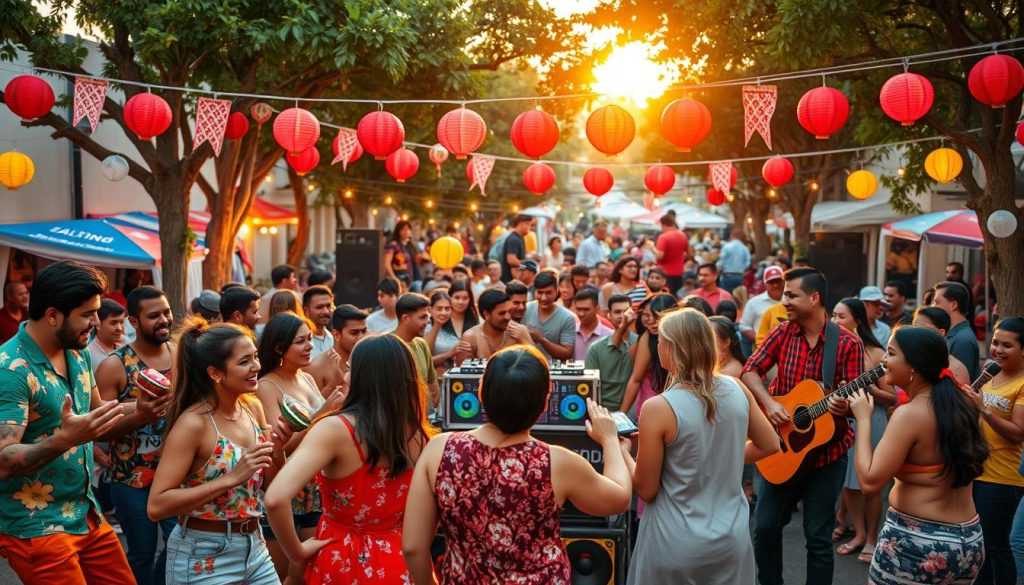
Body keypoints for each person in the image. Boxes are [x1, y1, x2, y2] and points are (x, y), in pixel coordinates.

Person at [402, 345, 633, 583]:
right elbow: (620, 497)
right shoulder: (557, 462)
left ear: (480, 393)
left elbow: (412, 547)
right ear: (546, 402)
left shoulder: (439, 449)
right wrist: (610, 441)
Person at [0, 261, 137, 583]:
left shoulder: (78, 354)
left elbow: (99, 415)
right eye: (87, 314)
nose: (96, 322)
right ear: (53, 315)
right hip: (37, 526)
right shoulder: (10, 370)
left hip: (85, 512)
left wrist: (149, 408)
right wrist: (65, 439)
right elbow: (2, 461)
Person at [625, 309, 779, 584]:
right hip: (730, 537)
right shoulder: (736, 387)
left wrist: (621, 451)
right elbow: (770, 444)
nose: (656, 344)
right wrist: (720, 458)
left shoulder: (658, 407)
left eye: (660, 340)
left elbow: (646, 489)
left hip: (675, 539)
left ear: (671, 348)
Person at [266, 335, 430, 584]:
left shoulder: (336, 429)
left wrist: (296, 554)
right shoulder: (419, 434)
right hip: (402, 562)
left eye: (350, 368)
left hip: (342, 560)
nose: (345, 376)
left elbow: (275, 498)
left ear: (365, 376)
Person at [741, 267, 865, 585]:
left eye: (791, 295)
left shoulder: (848, 343)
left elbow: (856, 398)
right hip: (781, 447)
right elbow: (751, 371)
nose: (785, 302)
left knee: (818, 538)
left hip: (826, 456)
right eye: (784, 295)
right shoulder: (783, 333)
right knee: (765, 527)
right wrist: (769, 403)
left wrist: (844, 406)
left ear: (814, 297)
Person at [847, 326, 988, 585]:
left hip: (919, 543)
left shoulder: (911, 414)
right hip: (969, 541)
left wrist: (863, 420)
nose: (883, 360)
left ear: (914, 365)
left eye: (890, 353)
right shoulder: (960, 404)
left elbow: (869, 482)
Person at [147, 319, 283, 585]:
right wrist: (230, 479)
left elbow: (269, 484)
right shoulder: (193, 424)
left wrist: (278, 449)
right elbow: (156, 505)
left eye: (254, 357)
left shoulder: (252, 407)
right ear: (215, 373)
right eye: (244, 361)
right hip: (203, 556)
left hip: (255, 547)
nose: (256, 366)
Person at [94, 286, 177, 585]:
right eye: (153, 316)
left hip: (175, 476)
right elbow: (101, 429)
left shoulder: (181, 357)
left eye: (166, 312)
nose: (164, 320)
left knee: (178, 544)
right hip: (130, 480)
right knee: (141, 553)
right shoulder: (115, 365)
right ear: (133, 321)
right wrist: (140, 415)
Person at [254, 312, 333, 584]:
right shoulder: (266, 386)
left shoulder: (307, 378)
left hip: (314, 487)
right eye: (301, 341)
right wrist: (323, 412)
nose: (310, 346)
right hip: (284, 488)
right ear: (279, 348)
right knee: (284, 576)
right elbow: (280, 446)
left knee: (310, 572)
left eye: (310, 339)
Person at [830, 297, 895, 563]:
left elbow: (892, 397)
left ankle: (872, 538)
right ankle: (858, 533)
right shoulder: (831, 349)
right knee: (848, 483)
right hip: (842, 421)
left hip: (872, 418)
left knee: (870, 485)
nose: (835, 322)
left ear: (857, 320)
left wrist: (869, 388)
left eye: (841, 316)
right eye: (833, 316)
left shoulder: (877, 353)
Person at [960, 318, 1024, 585]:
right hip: (977, 470)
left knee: (996, 547)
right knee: (978, 546)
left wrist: (983, 407)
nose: (997, 349)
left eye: (1006, 345)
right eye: (995, 342)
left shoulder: (1021, 384)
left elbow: (1018, 432)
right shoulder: (991, 371)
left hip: (1003, 478)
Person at [621, 294, 677, 415]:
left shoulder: (678, 338)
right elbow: (636, 379)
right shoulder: (647, 338)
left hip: (672, 405)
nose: (651, 320)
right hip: (651, 406)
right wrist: (621, 415)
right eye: (646, 315)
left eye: (656, 316)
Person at [586, 294, 637, 412]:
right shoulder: (596, 348)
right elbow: (590, 387)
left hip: (635, 412)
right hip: (603, 411)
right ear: (609, 315)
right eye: (617, 312)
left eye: (626, 311)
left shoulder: (641, 343)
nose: (622, 316)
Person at [455, 289, 533, 363]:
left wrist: (525, 340)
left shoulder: (520, 331)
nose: (508, 317)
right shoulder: (471, 337)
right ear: (486, 315)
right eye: (502, 313)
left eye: (509, 311)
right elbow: (462, 374)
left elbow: (539, 365)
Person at [392, 294, 440, 410]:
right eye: (422, 317)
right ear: (406, 319)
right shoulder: (387, 346)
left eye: (428, 316)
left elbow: (431, 382)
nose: (428, 321)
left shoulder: (422, 344)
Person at [306, 305, 368, 394]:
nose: (362, 337)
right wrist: (331, 387)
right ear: (336, 335)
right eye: (354, 333)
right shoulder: (316, 367)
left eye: (364, 331)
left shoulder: (369, 360)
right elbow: (313, 407)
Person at [425, 281, 479, 373]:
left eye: (465, 298)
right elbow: (423, 359)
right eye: (457, 298)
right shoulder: (436, 321)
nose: (461, 302)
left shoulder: (475, 321)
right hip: (438, 376)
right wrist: (449, 354)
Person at [523, 271, 576, 362]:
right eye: (540, 293)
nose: (544, 298)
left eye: (548, 293)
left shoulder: (568, 317)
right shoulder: (525, 309)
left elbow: (566, 353)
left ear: (557, 291)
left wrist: (541, 339)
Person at [933, 281, 981, 381]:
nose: (932, 306)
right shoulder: (955, 334)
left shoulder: (962, 340)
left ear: (953, 305)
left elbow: (958, 384)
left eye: (936, 302)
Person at [912, 307, 972, 384]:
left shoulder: (956, 369)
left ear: (941, 332)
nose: (916, 333)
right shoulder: (909, 360)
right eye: (914, 328)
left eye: (922, 328)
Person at [740, 266, 784, 349]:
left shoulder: (791, 301)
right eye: (771, 282)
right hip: (760, 350)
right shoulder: (753, 302)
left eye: (778, 281)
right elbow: (744, 326)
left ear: (784, 281)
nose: (775, 285)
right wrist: (761, 341)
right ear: (765, 284)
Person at [573, 288, 612, 362]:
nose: (581, 314)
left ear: (597, 308)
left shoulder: (609, 335)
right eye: (578, 309)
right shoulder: (569, 332)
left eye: (586, 310)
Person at [88, 298, 126, 370]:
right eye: (113, 323)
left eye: (121, 322)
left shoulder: (125, 350)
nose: (119, 328)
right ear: (98, 324)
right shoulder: (89, 356)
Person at [655, 215, 689, 296]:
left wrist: (652, 248)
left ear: (663, 225)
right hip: (679, 273)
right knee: (675, 299)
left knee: (665, 299)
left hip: (665, 274)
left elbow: (659, 256)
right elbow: (690, 254)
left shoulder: (663, 237)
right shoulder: (683, 235)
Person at [384, 220, 422, 291]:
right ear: (398, 231)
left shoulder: (409, 245)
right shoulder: (393, 245)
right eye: (404, 229)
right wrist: (394, 277)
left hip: (409, 279)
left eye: (408, 229)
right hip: (399, 279)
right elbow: (387, 263)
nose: (407, 232)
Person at [301, 285, 335, 359]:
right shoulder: (300, 341)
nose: (326, 311)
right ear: (306, 311)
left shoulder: (329, 337)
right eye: (319, 307)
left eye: (328, 306)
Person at [718, 229, 751, 294]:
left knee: (726, 296)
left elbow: (721, 261)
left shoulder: (726, 246)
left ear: (732, 236)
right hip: (739, 275)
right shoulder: (744, 248)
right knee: (739, 297)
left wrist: (721, 268)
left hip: (727, 275)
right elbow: (748, 262)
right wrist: (742, 269)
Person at [500, 215, 532, 283]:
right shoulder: (514, 239)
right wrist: (526, 266)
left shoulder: (520, 238)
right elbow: (511, 260)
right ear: (521, 223)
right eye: (528, 224)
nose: (530, 227)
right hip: (509, 281)